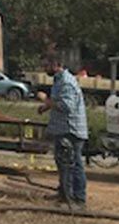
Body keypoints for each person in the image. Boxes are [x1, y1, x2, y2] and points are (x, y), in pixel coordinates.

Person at [38, 57, 88, 207]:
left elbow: (67, 106)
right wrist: (45, 107)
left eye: (46, 65)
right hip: (63, 129)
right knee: (62, 163)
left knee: (73, 164)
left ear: (56, 64)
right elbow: (59, 101)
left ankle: (78, 198)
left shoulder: (66, 81)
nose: (44, 69)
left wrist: (46, 100)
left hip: (71, 131)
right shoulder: (59, 81)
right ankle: (64, 193)